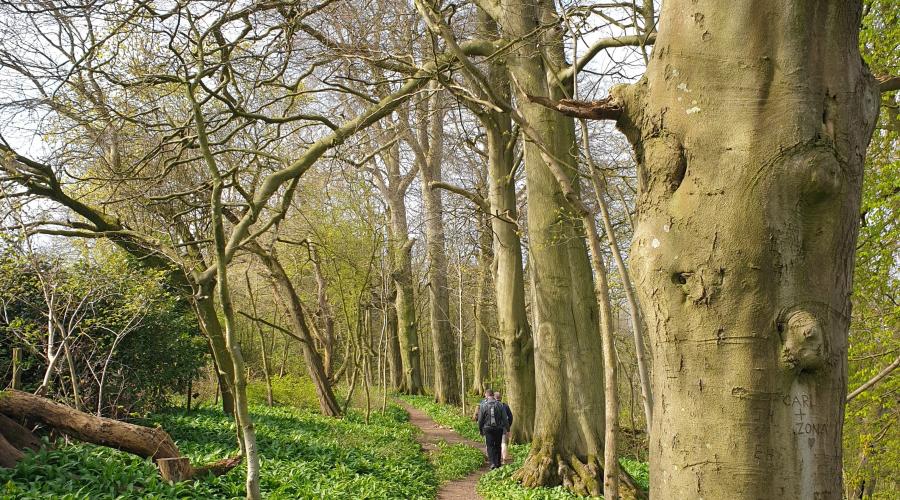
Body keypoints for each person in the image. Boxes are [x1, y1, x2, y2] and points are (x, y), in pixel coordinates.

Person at [477, 389, 509, 469]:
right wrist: (507, 429)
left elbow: (480, 419)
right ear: (493, 395)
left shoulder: (483, 405)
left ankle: (492, 463)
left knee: (490, 446)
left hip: (488, 429)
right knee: (498, 445)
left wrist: (480, 429)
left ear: (486, 395)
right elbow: (505, 418)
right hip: (498, 428)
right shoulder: (500, 405)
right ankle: (498, 463)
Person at [495, 392, 513, 463]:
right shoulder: (505, 406)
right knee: (504, 443)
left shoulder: (491, 405)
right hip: (504, 427)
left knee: (495, 443)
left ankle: (496, 458)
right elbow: (510, 417)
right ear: (501, 398)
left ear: (494, 397)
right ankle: (504, 459)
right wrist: (508, 425)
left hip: (494, 427)